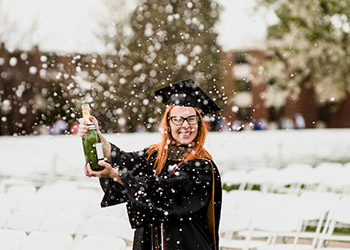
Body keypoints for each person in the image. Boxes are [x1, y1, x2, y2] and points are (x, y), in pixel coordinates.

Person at [79, 79, 222, 250]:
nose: (185, 125)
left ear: (199, 124)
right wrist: (96, 135)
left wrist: (118, 176)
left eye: (191, 119)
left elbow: (166, 192)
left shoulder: (203, 167)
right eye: (177, 119)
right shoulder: (155, 156)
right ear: (168, 124)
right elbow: (124, 161)